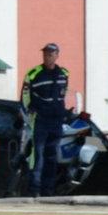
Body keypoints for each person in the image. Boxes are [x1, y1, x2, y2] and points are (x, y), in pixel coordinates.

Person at [22, 42, 71, 194]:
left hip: (56, 121)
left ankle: (47, 190)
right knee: (38, 157)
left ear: (57, 55)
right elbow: (25, 97)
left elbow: (63, 95)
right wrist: (28, 114)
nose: (47, 56)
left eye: (51, 54)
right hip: (40, 121)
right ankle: (34, 189)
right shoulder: (33, 74)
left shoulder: (64, 73)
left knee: (52, 156)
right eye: (45, 54)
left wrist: (65, 113)